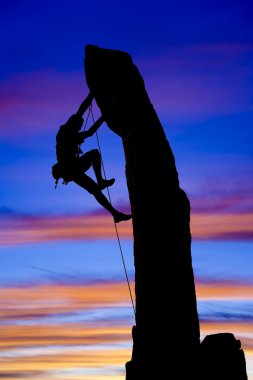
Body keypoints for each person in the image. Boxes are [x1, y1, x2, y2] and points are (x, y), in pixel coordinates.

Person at [53, 92, 132, 224]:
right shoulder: (67, 133)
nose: (79, 128)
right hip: (70, 168)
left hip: (73, 168)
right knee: (94, 157)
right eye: (78, 126)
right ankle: (103, 186)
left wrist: (98, 107)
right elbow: (85, 119)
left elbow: (86, 122)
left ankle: (115, 213)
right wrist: (96, 101)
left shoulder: (70, 132)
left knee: (95, 187)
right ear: (74, 125)